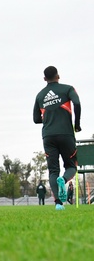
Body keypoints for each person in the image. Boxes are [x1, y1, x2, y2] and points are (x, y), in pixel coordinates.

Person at [33, 66, 81, 211]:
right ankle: (64, 180)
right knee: (71, 166)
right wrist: (76, 124)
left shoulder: (40, 96)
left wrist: (49, 119)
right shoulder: (68, 89)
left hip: (48, 136)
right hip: (66, 134)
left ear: (44, 79)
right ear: (58, 76)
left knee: (53, 171)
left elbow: (36, 119)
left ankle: (58, 204)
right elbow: (77, 103)